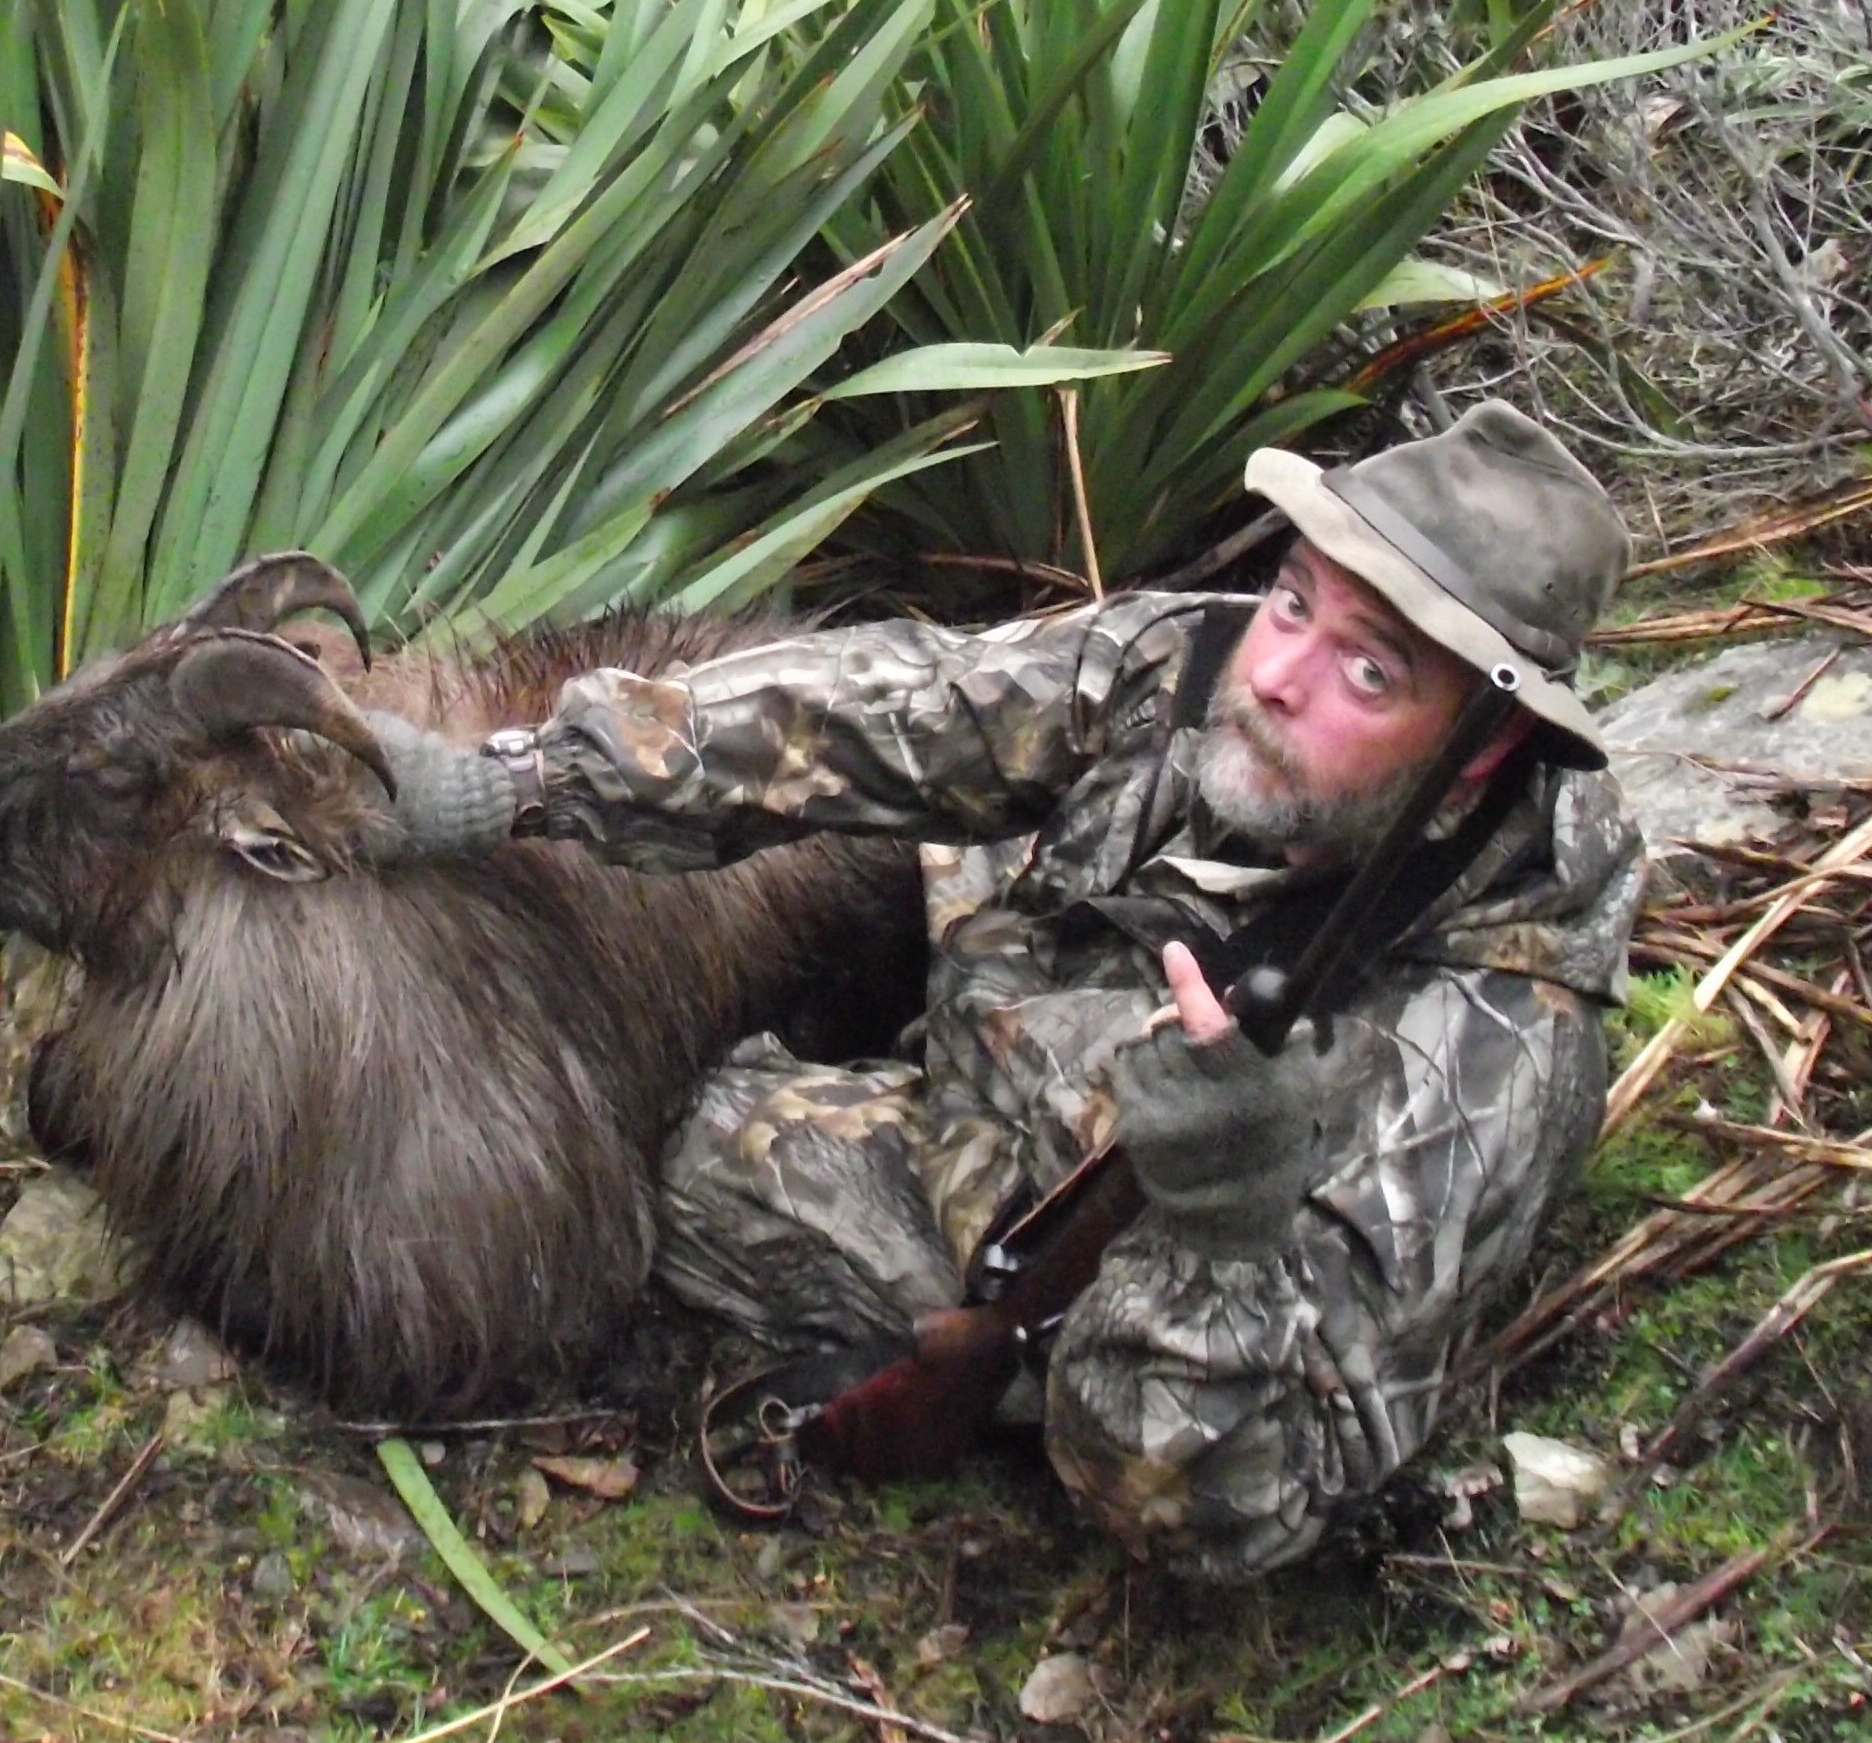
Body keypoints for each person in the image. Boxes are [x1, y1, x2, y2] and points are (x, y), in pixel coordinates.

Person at [363, 400, 1648, 1579]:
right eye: (1294, 601)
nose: (1277, 674)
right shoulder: (1195, 670)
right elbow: (909, 705)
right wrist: (526, 780)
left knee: (696, 1144)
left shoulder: (1483, 1056)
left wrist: (1222, 1228)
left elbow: (1223, 1506)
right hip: (1006, 1012)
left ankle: (993, 1369)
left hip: (1100, 1273)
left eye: (1370, 673)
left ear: (1485, 758)